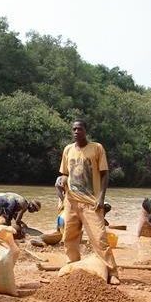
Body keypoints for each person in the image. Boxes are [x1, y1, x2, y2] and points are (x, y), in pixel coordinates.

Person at [57, 118, 120, 285]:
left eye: (79, 129)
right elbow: (65, 173)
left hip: (91, 202)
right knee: (69, 236)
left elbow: (105, 173)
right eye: (74, 129)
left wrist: (101, 197)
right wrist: (61, 180)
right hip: (71, 201)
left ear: (86, 130)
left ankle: (112, 272)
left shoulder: (96, 148)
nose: (76, 132)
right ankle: (73, 266)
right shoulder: (68, 149)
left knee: (99, 238)